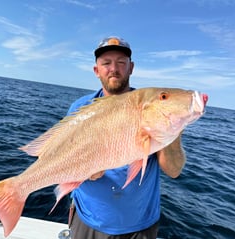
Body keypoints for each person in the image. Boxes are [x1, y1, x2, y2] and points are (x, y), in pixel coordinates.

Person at [66, 36, 186, 239]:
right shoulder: (80, 109)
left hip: (139, 227)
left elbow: (173, 171)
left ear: (131, 68)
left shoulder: (152, 105)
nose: (114, 68)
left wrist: (172, 129)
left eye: (121, 62)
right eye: (106, 63)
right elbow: (66, 162)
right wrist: (86, 173)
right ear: (97, 71)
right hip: (86, 219)